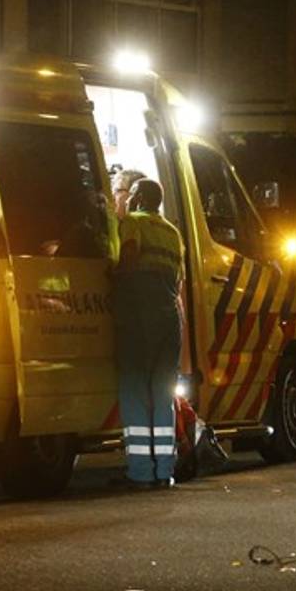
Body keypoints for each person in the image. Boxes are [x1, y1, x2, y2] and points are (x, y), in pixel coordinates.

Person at [113, 178, 184, 488]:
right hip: (170, 317)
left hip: (140, 315)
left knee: (134, 390)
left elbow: (127, 259)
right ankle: (164, 472)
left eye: (130, 195)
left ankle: (140, 471)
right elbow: (178, 282)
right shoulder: (173, 232)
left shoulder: (131, 223)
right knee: (163, 394)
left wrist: (111, 278)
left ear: (138, 198)